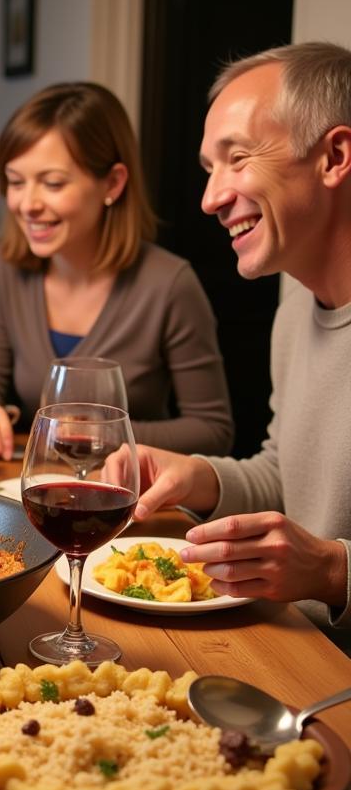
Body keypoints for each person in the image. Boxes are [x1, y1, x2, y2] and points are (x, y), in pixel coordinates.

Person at [116, 42, 351, 637]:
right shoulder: (297, 310)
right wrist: (203, 477)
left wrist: (333, 570)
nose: (211, 198)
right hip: (294, 647)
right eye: (209, 169)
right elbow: (289, 476)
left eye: (238, 159)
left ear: (335, 156)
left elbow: (323, 550)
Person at [0, 82, 234, 460]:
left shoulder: (170, 284)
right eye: (16, 182)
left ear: (113, 183)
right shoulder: (5, 268)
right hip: (35, 488)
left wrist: (103, 433)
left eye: (53, 183)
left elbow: (213, 431)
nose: (27, 205)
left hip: (131, 503)